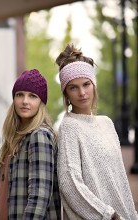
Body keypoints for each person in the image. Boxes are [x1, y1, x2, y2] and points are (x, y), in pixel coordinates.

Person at [56, 43, 138, 220]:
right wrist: (108, 215)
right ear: (66, 93)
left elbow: (121, 180)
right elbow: (69, 184)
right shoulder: (69, 127)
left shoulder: (107, 124)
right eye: (73, 87)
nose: (82, 92)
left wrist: (131, 214)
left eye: (86, 84)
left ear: (94, 85)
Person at [0, 69, 61, 220]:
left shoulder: (39, 136)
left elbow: (39, 196)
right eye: (20, 95)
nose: (25, 101)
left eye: (32, 96)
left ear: (41, 103)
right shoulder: (15, 140)